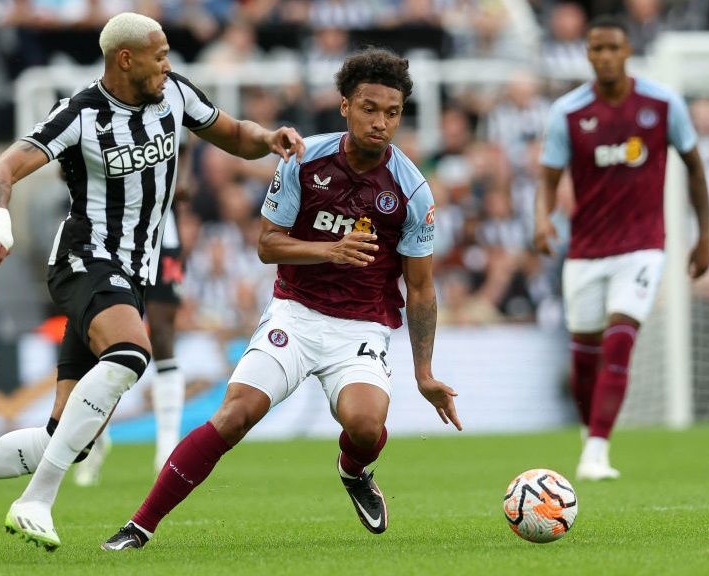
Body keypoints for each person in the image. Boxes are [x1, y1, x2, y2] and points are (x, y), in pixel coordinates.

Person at [0, 12, 304, 551]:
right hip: (86, 260)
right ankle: (36, 500)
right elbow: (0, 171)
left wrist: (271, 137)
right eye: (159, 54)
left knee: (65, 437)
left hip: (133, 276)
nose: (168, 64)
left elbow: (235, 134)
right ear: (126, 59)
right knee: (130, 353)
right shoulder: (81, 114)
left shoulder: (175, 95)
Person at [100, 47, 462, 552]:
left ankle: (354, 471)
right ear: (345, 106)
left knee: (364, 425)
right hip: (295, 313)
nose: (381, 122)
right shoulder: (305, 158)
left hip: (360, 328)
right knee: (234, 415)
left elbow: (420, 288)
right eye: (370, 108)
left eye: (393, 113)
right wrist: (331, 249)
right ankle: (139, 526)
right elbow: (266, 244)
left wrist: (424, 373)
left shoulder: (411, 190)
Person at [533, 15, 709, 482]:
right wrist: (542, 220)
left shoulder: (662, 103)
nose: (605, 56)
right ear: (587, 54)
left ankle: (596, 450)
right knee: (583, 358)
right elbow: (548, 177)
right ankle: (591, 432)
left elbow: (694, 167)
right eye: (597, 49)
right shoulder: (567, 112)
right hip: (586, 250)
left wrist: (704, 235)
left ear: (627, 50)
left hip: (643, 246)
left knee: (619, 339)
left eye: (613, 47)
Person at [72, 206, 190, 486]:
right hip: (112, 236)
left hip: (163, 236)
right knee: (110, 342)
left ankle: (166, 450)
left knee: (162, 333)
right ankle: (97, 437)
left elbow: (182, 177)